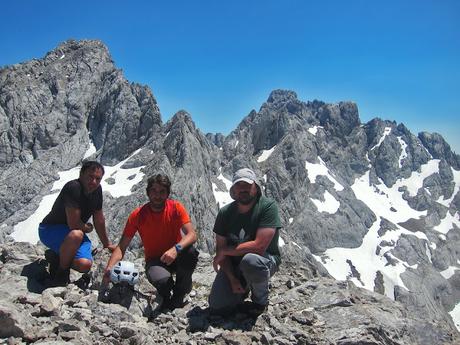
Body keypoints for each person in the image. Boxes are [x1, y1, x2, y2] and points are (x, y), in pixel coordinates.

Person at [103, 174, 198, 311]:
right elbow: (121, 247)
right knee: (164, 283)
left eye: (161, 192)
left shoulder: (176, 208)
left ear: (167, 194)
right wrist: (109, 267)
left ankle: (180, 292)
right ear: (148, 192)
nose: (157, 195)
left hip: (176, 256)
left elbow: (192, 234)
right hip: (155, 261)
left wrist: (175, 249)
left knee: (190, 252)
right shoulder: (138, 215)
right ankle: (171, 290)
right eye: (153, 191)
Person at [208, 168, 282, 316]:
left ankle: (260, 302)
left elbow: (259, 247)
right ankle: (242, 287)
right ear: (233, 190)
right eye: (238, 185)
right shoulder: (225, 213)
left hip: (264, 260)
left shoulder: (267, 207)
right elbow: (222, 254)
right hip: (235, 265)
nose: (243, 189)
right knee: (217, 305)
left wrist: (224, 251)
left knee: (251, 261)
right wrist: (232, 278)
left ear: (256, 187)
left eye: (247, 185)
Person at [39, 161, 115, 286]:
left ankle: (58, 256)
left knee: (85, 265)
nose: (94, 182)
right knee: (77, 234)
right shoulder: (73, 187)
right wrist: (88, 228)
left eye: (98, 179)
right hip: (49, 229)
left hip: (72, 234)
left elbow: (99, 219)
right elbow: (73, 224)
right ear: (81, 174)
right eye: (90, 177)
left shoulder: (97, 190)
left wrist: (107, 244)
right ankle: (61, 273)